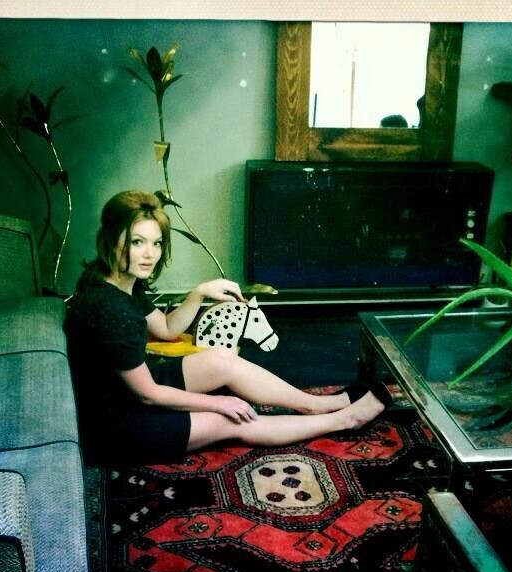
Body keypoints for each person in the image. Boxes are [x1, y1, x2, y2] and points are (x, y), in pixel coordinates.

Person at [64, 189, 392, 465]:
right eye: (138, 242)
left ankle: (320, 404)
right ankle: (343, 419)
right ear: (112, 238)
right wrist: (218, 403)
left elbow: (165, 328)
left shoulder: (118, 281)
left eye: (157, 243)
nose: (150, 254)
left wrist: (199, 293)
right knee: (230, 419)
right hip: (117, 427)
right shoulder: (109, 309)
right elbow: (149, 395)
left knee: (221, 359)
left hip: (128, 392)